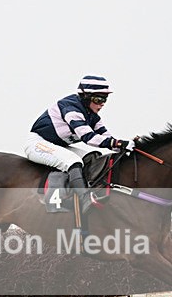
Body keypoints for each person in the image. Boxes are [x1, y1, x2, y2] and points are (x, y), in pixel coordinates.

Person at [25, 75, 136, 211]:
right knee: (73, 161)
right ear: (85, 97)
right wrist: (118, 143)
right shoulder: (71, 108)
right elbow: (89, 138)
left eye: (105, 99)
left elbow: (107, 138)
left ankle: (84, 191)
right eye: (98, 99)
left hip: (58, 145)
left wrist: (125, 147)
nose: (102, 104)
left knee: (92, 156)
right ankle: (84, 199)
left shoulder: (93, 116)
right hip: (37, 143)